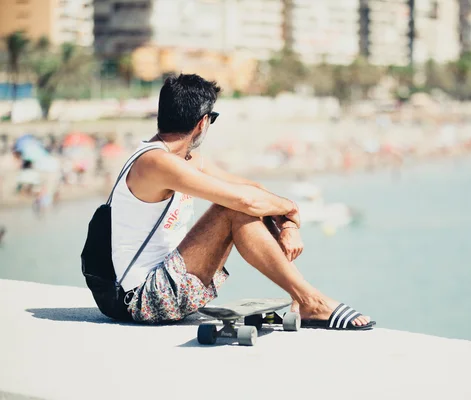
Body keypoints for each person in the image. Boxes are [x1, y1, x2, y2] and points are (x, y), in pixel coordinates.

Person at [110, 74, 374, 329]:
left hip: (164, 285)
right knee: (232, 208)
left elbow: (252, 189)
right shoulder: (155, 162)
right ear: (203, 122)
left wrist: (289, 224)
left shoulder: (182, 160)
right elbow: (244, 201)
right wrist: (292, 209)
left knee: (244, 203)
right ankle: (310, 300)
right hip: (141, 299)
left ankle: (304, 298)